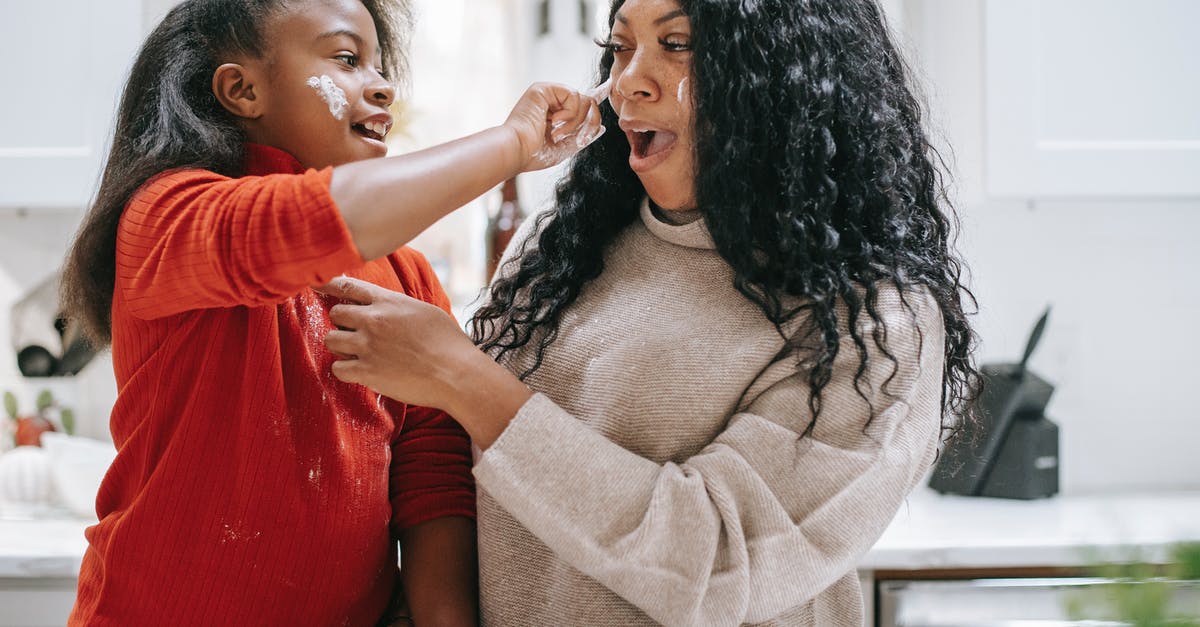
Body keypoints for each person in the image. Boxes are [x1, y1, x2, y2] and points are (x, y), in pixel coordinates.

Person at [320, 0, 980, 624]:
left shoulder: (875, 322)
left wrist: (464, 380)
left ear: (783, 75)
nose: (628, 81)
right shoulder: (564, 248)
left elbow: (720, 561)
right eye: (619, 47)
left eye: (676, 44)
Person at [57, 0, 602, 624]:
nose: (382, 84)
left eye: (377, 63)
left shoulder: (407, 277)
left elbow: (431, 479)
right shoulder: (166, 219)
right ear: (242, 90)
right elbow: (311, 221)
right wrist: (513, 142)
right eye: (346, 59)